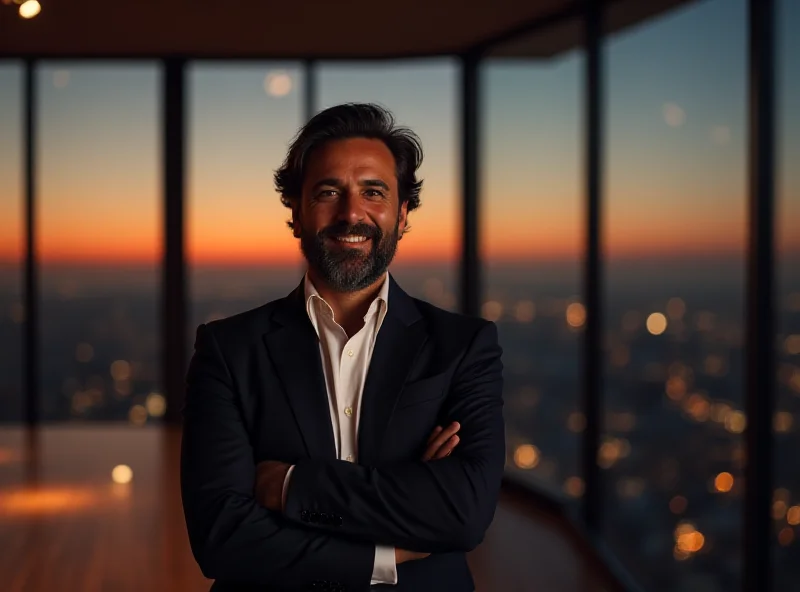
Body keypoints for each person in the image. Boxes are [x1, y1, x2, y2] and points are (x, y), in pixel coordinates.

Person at [180, 103, 505, 592]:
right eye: (328, 192)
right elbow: (221, 537)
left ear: (403, 214)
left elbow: (463, 513)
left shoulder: (463, 347)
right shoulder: (228, 350)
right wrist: (387, 548)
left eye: (373, 192)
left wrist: (289, 486)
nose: (352, 212)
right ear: (296, 212)